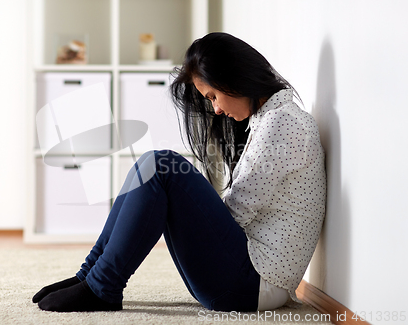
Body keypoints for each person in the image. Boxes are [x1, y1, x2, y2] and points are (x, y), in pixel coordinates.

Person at [32, 32, 326, 313]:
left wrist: (188, 200)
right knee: (150, 163)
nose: (216, 110)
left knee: (161, 166)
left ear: (233, 79)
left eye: (212, 96)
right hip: (246, 279)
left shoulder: (282, 123)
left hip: (251, 285)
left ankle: (101, 286)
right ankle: (91, 275)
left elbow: (237, 213)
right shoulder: (270, 119)